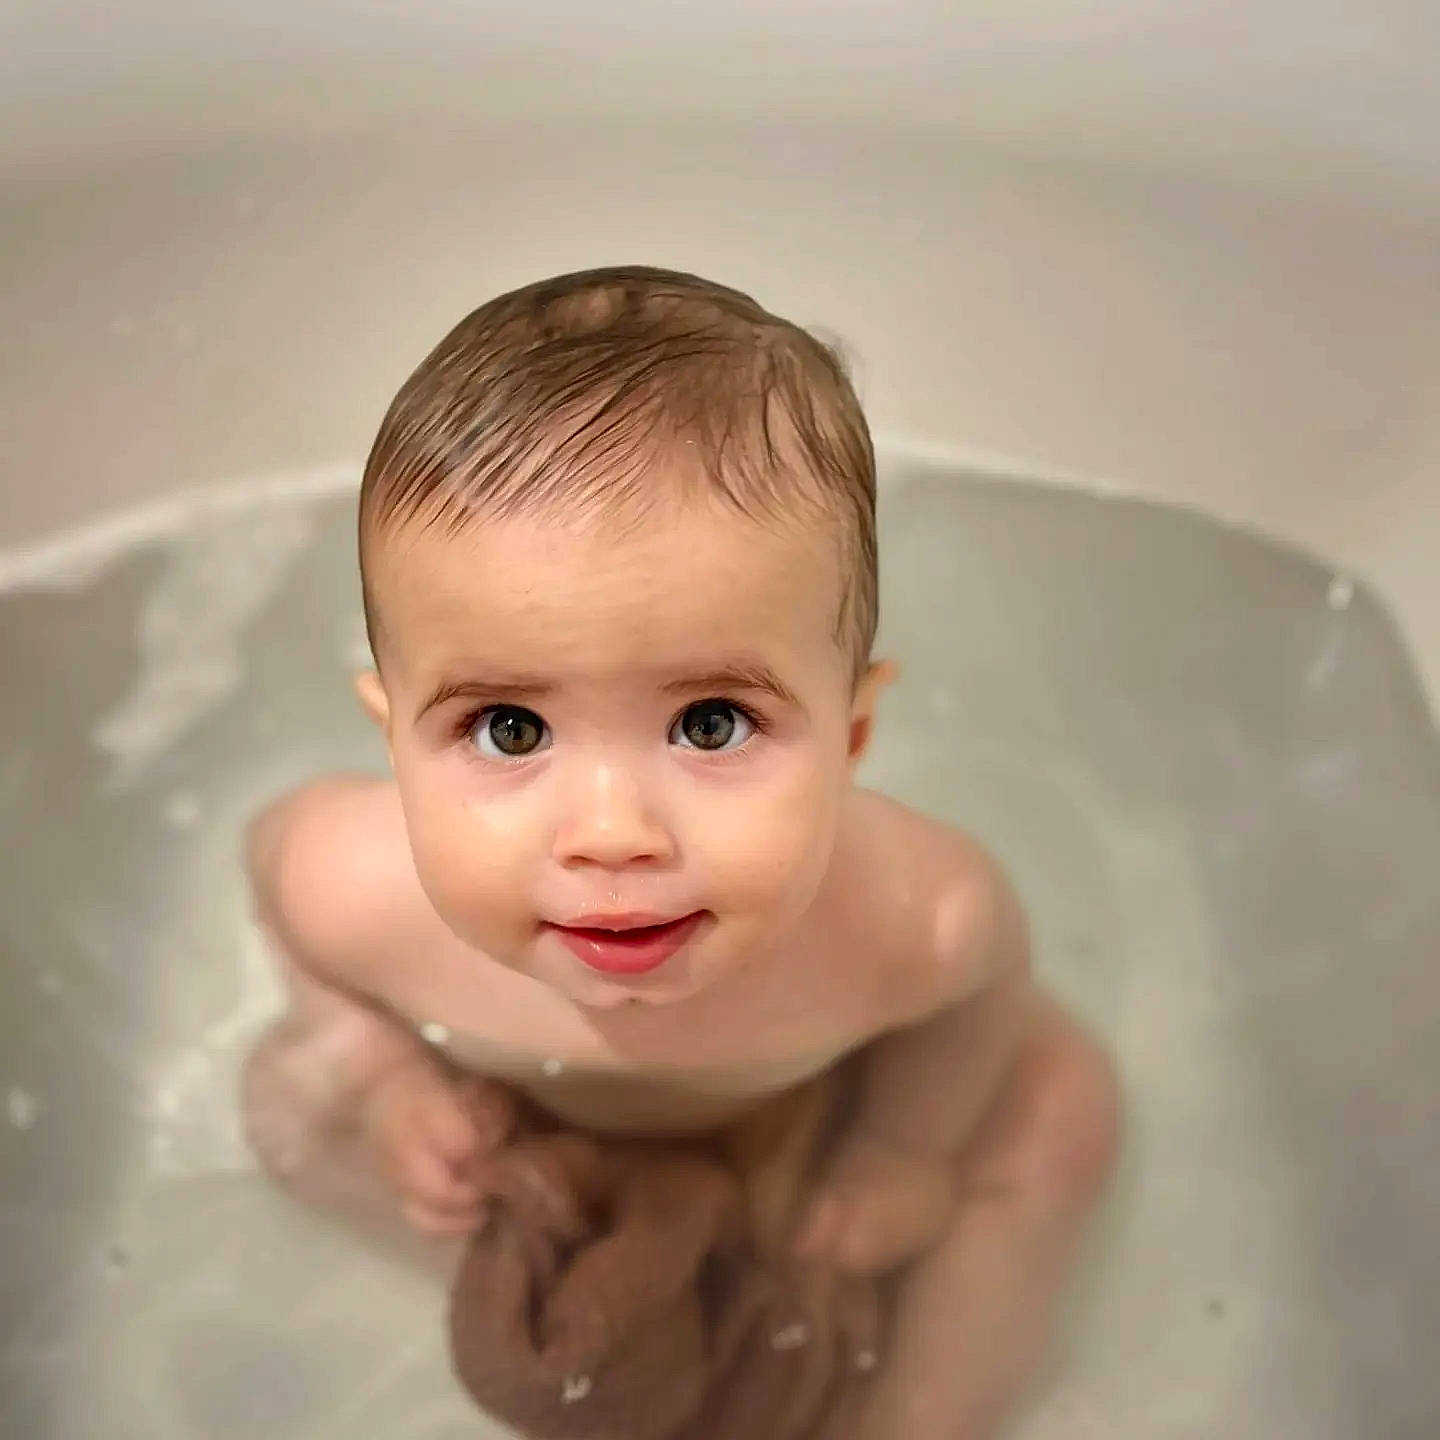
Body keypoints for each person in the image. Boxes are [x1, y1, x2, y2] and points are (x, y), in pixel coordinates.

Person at [242, 265, 1121, 1437]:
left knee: (1062, 1106)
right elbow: (271, 874)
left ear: (853, 734)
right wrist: (380, 1072)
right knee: (285, 1103)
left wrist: (901, 1149)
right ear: (393, 740)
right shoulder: (357, 887)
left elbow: (983, 993)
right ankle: (590, 1277)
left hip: (811, 1114)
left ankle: (916, 1418)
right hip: (522, 1125)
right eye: (510, 730)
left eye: (712, 723)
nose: (612, 835)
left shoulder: (914, 916)